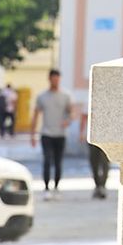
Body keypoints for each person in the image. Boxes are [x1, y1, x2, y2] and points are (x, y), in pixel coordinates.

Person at [31, 70, 74, 200]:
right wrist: (32, 134)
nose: (55, 81)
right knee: (47, 160)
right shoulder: (42, 96)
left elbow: (71, 113)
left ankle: (56, 187)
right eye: (53, 79)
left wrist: (68, 120)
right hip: (46, 133)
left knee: (58, 161)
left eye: (57, 79)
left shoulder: (66, 95)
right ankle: (46, 188)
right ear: (49, 79)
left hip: (60, 134)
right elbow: (36, 114)